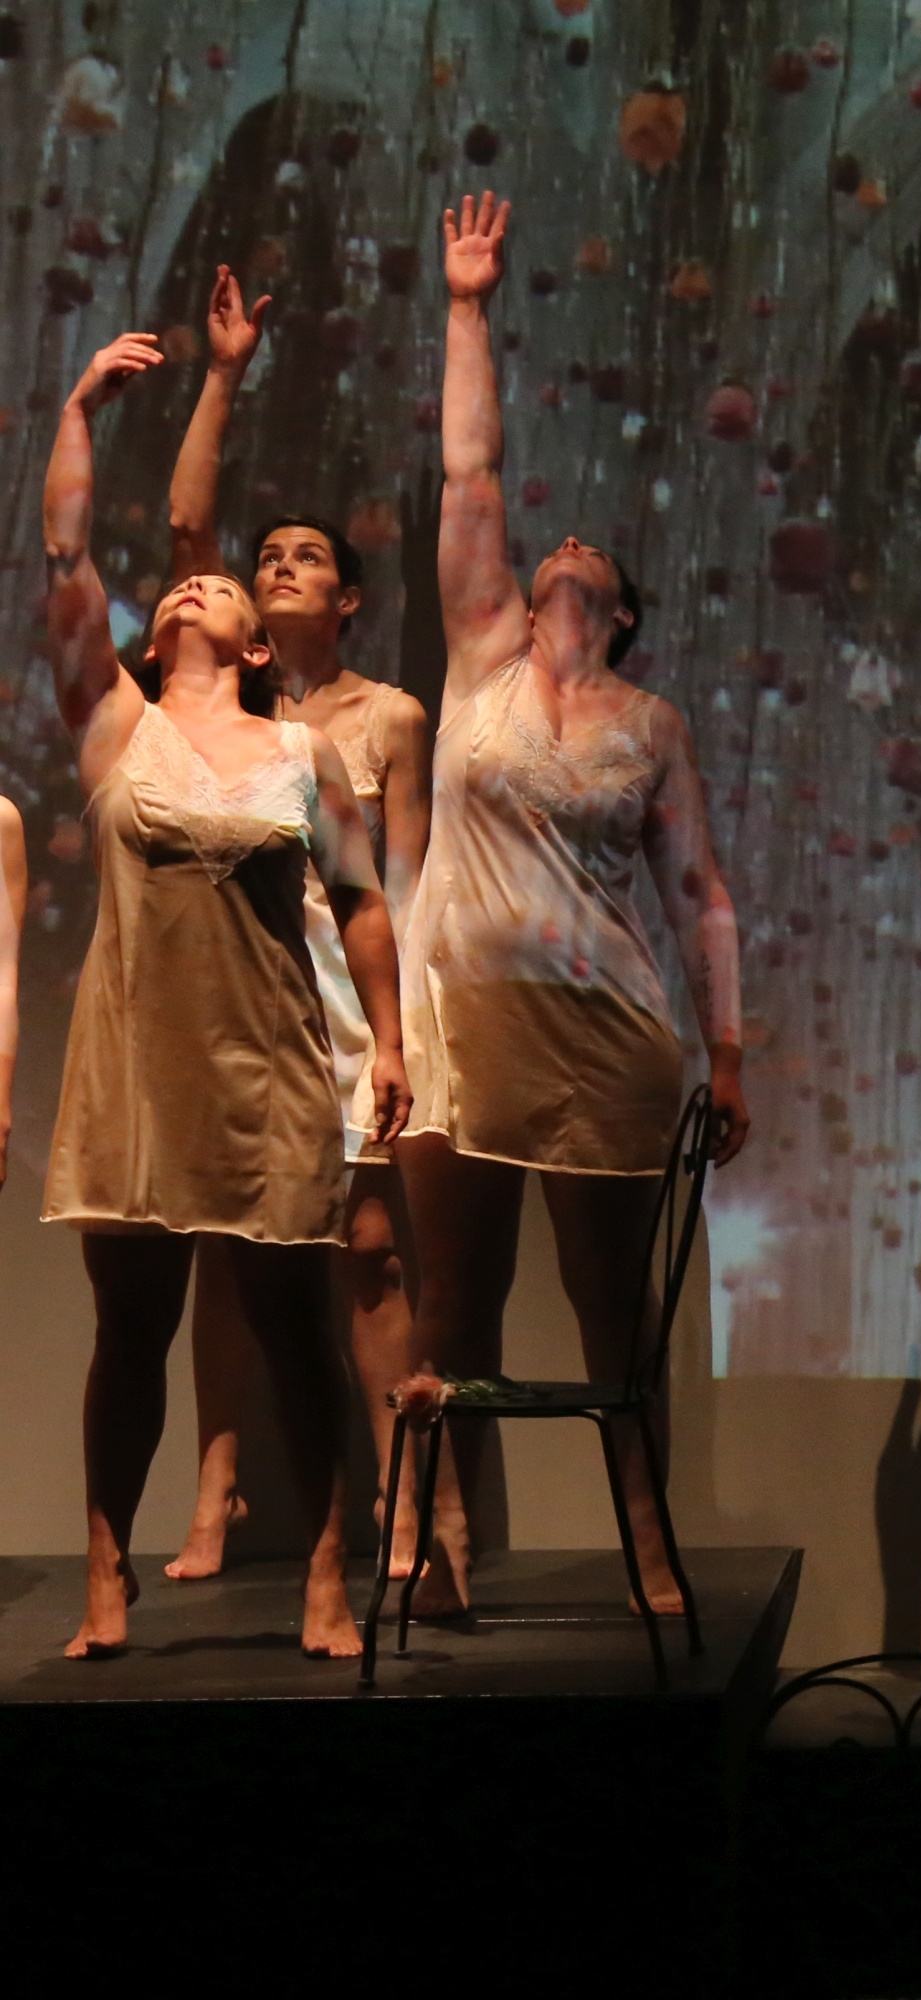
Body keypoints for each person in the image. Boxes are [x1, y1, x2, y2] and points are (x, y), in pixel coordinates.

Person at [403, 192, 750, 1613]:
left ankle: (649, 1546)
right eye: (555, 551)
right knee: (453, 1296)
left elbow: (702, 894)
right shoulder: (481, 662)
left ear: (620, 609)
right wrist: (467, 306)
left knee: (616, 1311)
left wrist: (729, 1054)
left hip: (608, 1027)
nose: (566, 550)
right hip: (466, 1016)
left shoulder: (651, 722)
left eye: (592, 560)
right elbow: (469, 475)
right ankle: (437, 1539)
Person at [41, 331, 404, 1659]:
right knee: (130, 1328)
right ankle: (106, 1570)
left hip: (270, 1067)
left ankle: (325, 1571)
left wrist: (393, 1044)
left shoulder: (306, 753)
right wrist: (80, 407)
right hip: (138, 1066)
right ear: (159, 634)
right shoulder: (116, 728)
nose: (197, 586)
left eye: (222, 588)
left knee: (294, 1330)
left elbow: (362, 904)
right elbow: (66, 560)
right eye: (182, 586)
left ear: (258, 647)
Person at [159, 264, 435, 1582]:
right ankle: (215, 1493)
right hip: (232, 1001)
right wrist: (223, 375)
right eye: (266, 556)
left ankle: (405, 1502)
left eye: (305, 557)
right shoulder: (219, 698)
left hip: (340, 1005)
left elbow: (403, 887)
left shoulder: (386, 718)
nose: (275, 567)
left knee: (368, 1249)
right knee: (225, 1252)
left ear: (349, 598)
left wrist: (401, 1038)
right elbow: (186, 533)